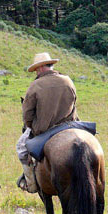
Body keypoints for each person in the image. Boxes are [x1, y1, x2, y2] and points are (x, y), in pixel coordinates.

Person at [16, 53, 80, 193]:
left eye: (37, 69)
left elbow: (27, 115)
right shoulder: (68, 80)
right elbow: (74, 102)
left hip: (45, 130)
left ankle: (31, 184)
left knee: (21, 147)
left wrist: (32, 127)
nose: (37, 72)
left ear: (41, 68)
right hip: (70, 125)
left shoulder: (35, 86)